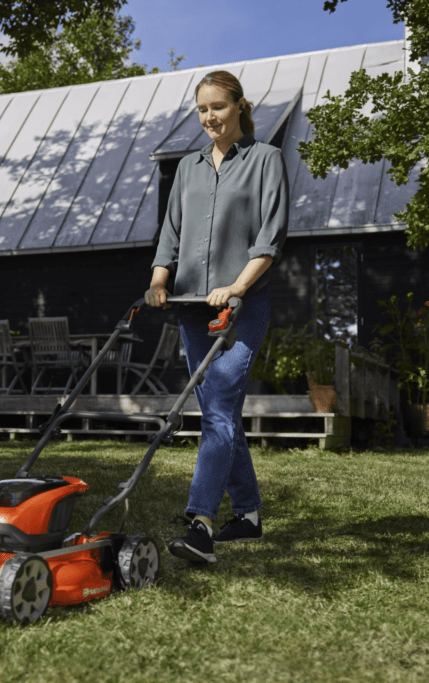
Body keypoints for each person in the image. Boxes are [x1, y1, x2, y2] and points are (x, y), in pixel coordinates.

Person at [145, 70, 288, 563]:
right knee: (218, 415)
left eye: (218, 107)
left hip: (242, 306)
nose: (209, 117)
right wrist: (160, 280)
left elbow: (269, 239)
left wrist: (236, 286)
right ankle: (247, 517)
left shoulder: (266, 160)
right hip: (190, 309)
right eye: (202, 109)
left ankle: (200, 523)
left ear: (240, 107)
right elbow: (171, 233)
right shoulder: (188, 168)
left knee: (220, 410)